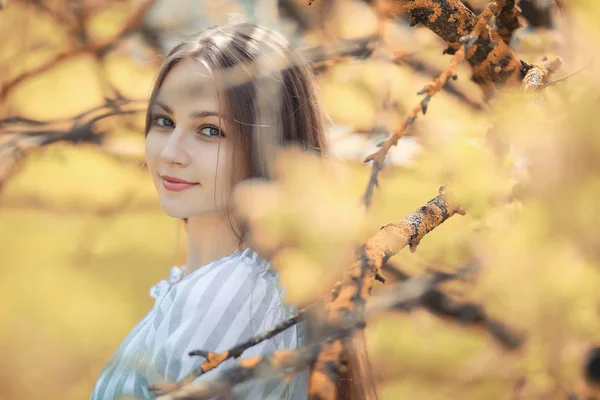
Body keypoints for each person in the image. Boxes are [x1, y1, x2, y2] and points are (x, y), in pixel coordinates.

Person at [90, 22, 328, 400]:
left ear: (271, 147)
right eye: (164, 122)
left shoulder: (231, 292)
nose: (170, 153)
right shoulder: (223, 286)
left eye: (210, 130)